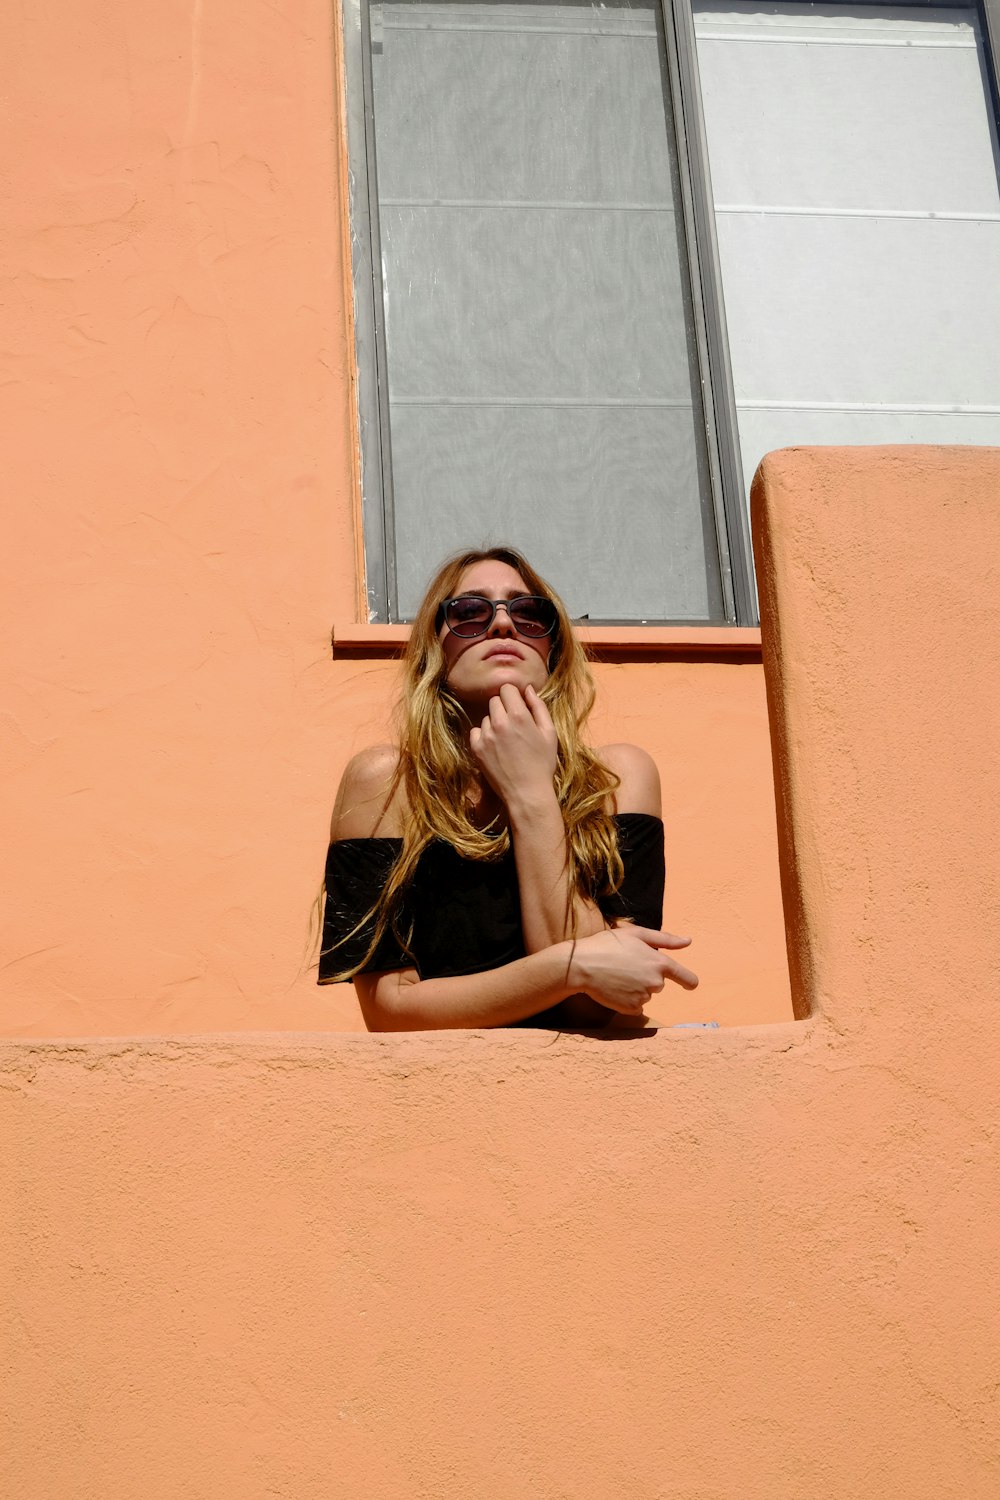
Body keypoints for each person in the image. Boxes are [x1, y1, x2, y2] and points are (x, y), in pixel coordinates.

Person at [318, 546, 698, 1030]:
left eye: (529, 612)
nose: (503, 625)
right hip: (444, 1094)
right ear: (435, 648)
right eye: (469, 612)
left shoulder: (617, 781)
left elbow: (599, 1008)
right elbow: (389, 1012)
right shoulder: (387, 785)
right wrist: (572, 966)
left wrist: (530, 793)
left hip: (594, 1093)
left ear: (552, 650)